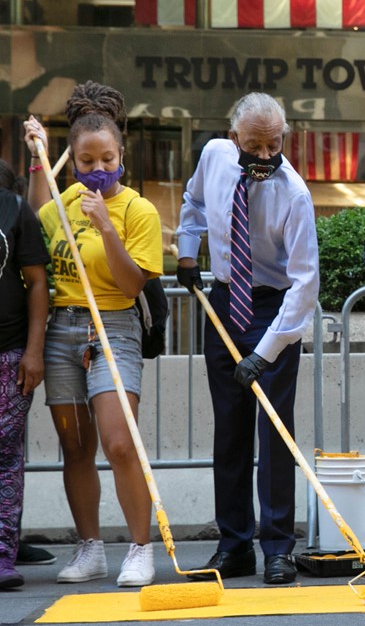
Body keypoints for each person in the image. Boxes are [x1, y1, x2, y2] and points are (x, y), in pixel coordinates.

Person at [23, 82, 164, 587]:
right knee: (75, 446)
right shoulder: (60, 206)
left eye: (108, 158)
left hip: (113, 327)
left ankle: (140, 549)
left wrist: (106, 226)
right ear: (74, 160)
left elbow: (131, 285)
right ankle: (90, 549)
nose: (98, 169)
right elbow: (38, 222)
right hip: (63, 327)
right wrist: (38, 158)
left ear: (121, 154)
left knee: (119, 441)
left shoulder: (137, 210)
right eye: (87, 161)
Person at [177, 92, 319, 585]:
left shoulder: (294, 195)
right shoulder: (215, 157)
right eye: (254, 145)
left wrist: (264, 353)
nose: (264, 156)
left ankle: (277, 547)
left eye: (274, 144)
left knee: (275, 432)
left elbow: (305, 283)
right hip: (224, 299)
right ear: (233, 137)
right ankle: (233, 545)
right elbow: (193, 201)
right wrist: (188, 251)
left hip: (272, 309)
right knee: (229, 430)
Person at [0, 158, 55, 569]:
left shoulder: (13, 208)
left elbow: (38, 281)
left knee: (6, 457)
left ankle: (2, 554)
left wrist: (34, 352)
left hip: (10, 350)